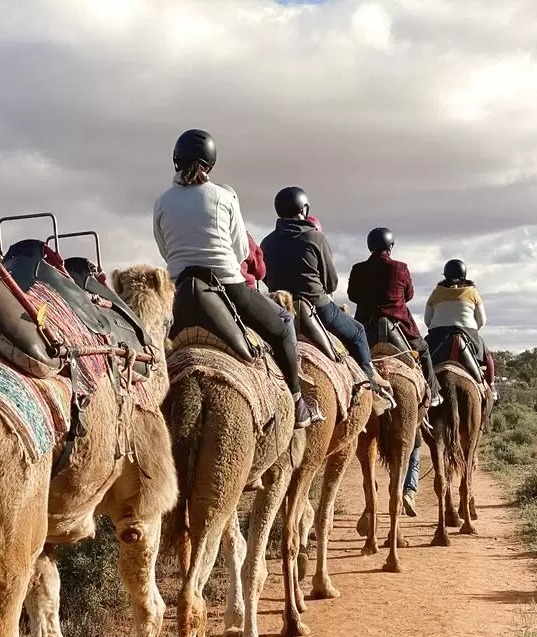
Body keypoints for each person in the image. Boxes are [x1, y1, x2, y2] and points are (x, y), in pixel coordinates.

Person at [153, 129, 312, 428]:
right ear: (210, 164)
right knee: (283, 325)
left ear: (175, 160)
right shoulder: (224, 196)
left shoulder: (161, 202)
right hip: (228, 287)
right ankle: (296, 400)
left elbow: (164, 249)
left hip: (178, 291)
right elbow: (240, 249)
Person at [261, 187, 395, 412]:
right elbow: (331, 283)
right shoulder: (316, 237)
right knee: (358, 332)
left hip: (279, 308)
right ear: (304, 209)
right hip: (317, 306)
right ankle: (369, 384)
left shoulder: (266, 242)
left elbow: (266, 278)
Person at [348, 227, 443, 408]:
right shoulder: (400, 268)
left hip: (366, 327)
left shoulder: (358, 269)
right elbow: (409, 294)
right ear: (390, 247)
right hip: (398, 326)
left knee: (346, 355)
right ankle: (434, 392)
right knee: (423, 350)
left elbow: (352, 296)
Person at [424, 258, 496, 390]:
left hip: (438, 335)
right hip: (467, 333)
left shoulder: (436, 292)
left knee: (420, 355)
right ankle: (491, 387)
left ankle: (422, 385)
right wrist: (473, 331)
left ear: (445, 275)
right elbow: (482, 320)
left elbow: (427, 320)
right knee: (488, 356)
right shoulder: (473, 292)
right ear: (464, 274)